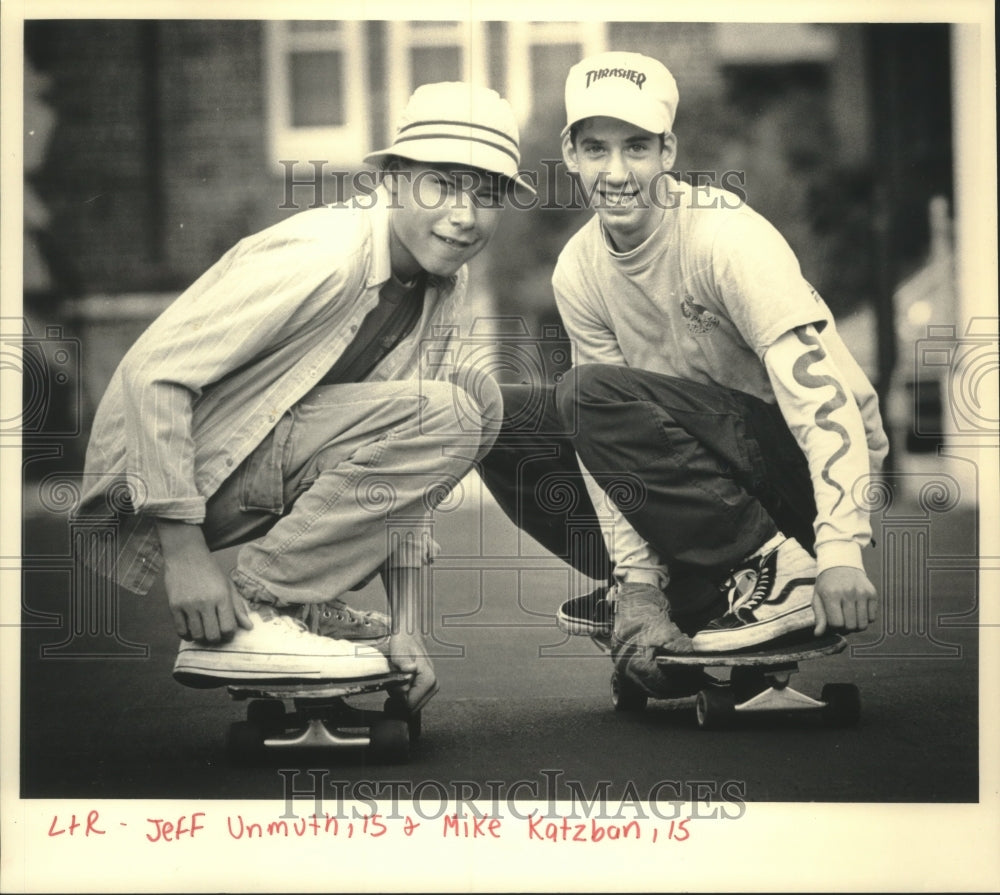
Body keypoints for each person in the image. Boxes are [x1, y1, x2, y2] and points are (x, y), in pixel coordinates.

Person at [77, 82, 534, 711]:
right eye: (442, 184)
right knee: (451, 410)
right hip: (158, 481)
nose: (464, 215)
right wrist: (187, 560)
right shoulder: (328, 255)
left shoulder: (440, 284)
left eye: (486, 195)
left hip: (250, 463)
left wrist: (406, 630)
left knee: (474, 397)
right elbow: (153, 375)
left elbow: (399, 474)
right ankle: (264, 607)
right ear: (394, 178)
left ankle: (303, 606)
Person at [480, 51, 888, 696]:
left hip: (794, 490)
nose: (616, 173)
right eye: (597, 149)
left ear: (668, 150)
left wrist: (839, 552)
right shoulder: (579, 272)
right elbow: (600, 448)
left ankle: (779, 576)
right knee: (498, 416)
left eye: (636, 149)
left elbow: (824, 398)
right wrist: (640, 587)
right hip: (691, 483)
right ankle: (685, 593)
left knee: (587, 394)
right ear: (571, 153)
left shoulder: (724, 238)